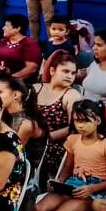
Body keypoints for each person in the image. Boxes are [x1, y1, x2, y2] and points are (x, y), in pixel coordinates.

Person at [34, 50, 83, 185]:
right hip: (31, 139)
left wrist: (47, 137)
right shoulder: (35, 89)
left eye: (73, 73)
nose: (70, 76)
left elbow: (75, 127)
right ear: (52, 71)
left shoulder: (71, 95)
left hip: (55, 145)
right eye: (65, 71)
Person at [0, 14, 41, 81]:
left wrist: (10, 79)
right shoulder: (4, 41)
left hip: (12, 81)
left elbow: (31, 68)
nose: (3, 28)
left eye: (6, 26)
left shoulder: (29, 44)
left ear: (17, 28)